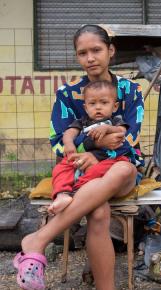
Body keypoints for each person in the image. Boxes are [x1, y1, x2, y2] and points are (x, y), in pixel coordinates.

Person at [13, 24, 144, 290]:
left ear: (111, 50)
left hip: (119, 169)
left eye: (96, 50)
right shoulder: (67, 94)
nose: (90, 58)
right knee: (97, 211)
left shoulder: (130, 91)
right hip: (80, 173)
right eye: (82, 52)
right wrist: (88, 150)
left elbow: (131, 138)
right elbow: (58, 142)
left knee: (124, 170)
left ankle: (39, 239)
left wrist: (104, 152)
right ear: (77, 57)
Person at [49, 80, 132, 215]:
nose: (98, 107)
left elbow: (121, 133)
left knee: (104, 169)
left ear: (115, 106)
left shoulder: (116, 121)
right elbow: (69, 133)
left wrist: (107, 127)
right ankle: (62, 193)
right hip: (81, 160)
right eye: (92, 104)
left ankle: (77, 191)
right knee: (60, 167)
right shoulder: (82, 122)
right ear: (86, 107)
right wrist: (69, 144)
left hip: (107, 160)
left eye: (104, 103)